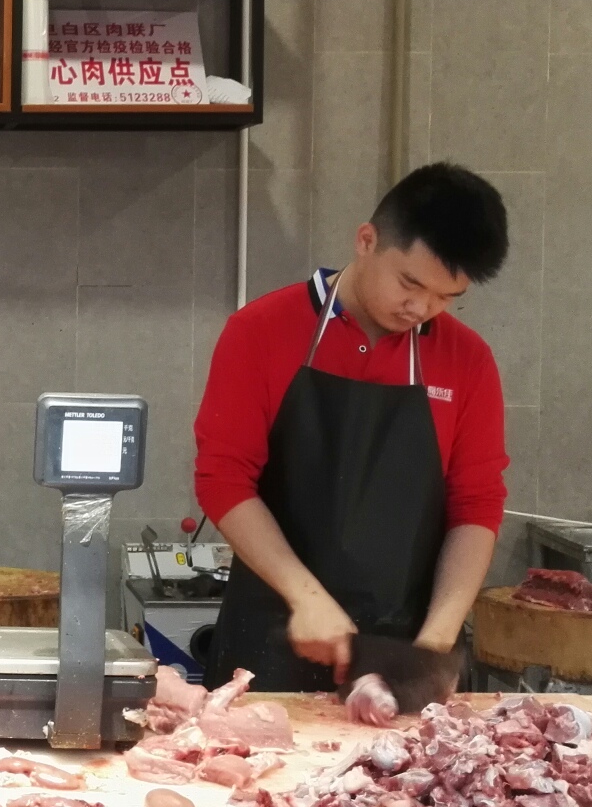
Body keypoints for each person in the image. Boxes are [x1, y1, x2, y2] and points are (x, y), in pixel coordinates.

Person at [194, 162, 510, 691]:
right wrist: (305, 597)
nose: (421, 308)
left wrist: (434, 646)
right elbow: (222, 480)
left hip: (406, 646)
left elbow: (476, 506)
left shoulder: (467, 360)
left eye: (446, 297)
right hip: (273, 638)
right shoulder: (259, 331)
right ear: (366, 241)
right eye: (410, 283)